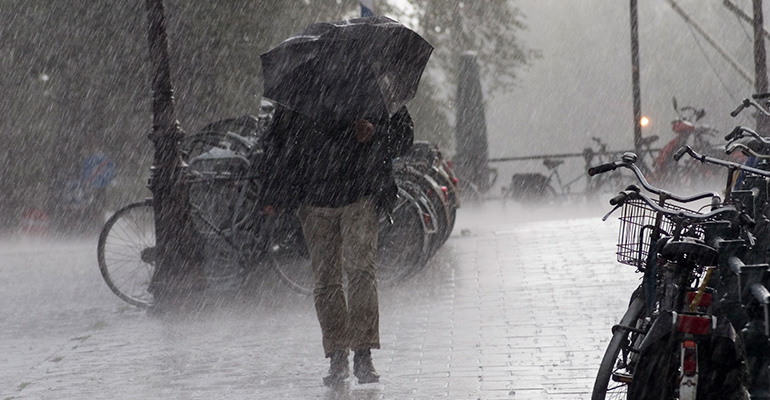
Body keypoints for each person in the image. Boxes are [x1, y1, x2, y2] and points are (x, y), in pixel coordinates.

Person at [259, 104, 413, 385]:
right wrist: (272, 192)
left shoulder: (372, 86)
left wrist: (375, 133)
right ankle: (338, 356)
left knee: (361, 273)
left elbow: (404, 138)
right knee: (327, 280)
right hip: (314, 198)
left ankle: (363, 355)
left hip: (360, 193)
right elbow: (278, 141)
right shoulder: (300, 91)